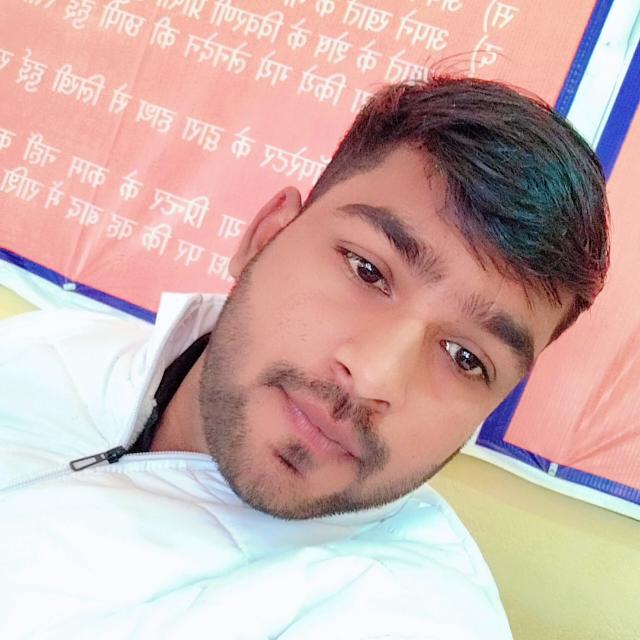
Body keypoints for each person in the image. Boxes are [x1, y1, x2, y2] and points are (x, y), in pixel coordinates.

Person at [0, 76, 609, 639]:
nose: (374, 376)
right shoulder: (47, 351)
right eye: (367, 270)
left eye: (464, 358)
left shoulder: (400, 611)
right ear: (265, 236)